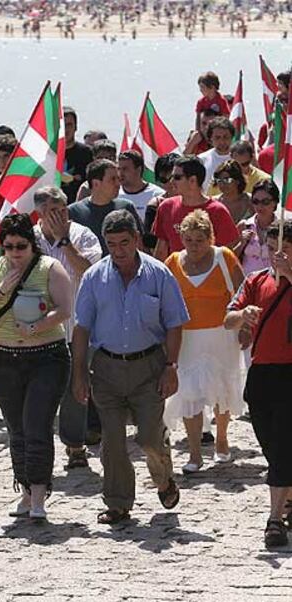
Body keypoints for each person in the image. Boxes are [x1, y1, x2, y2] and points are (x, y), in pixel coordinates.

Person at [72, 210, 189, 524]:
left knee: (149, 438)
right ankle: (118, 502)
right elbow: (81, 328)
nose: (118, 250)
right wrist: (79, 373)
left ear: (136, 239)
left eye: (124, 242)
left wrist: (171, 366)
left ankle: (163, 478)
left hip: (148, 366)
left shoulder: (159, 274)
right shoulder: (94, 277)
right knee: (112, 440)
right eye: (111, 244)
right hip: (106, 368)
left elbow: (175, 324)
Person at [0, 214, 71, 520]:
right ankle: (26, 491)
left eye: (21, 246)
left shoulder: (49, 268)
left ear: (33, 244)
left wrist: (41, 325)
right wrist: (0, 290)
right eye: (9, 246)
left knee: (37, 425)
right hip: (3, 359)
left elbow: (66, 309)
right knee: (16, 429)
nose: (15, 252)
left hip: (46, 358)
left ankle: (40, 493)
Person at [225, 221, 292, 548]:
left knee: (282, 448)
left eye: (286, 248)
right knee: (271, 444)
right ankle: (288, 495)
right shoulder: (255, 280)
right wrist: (244, 315)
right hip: (263, 373)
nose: (279, 254)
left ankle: (274, 519)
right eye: (274, 248)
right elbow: (228, 317)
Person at [164, 210, 244, 473]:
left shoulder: (224, 258)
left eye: (199, 240)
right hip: (187, 338)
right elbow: (163, 300)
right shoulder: (173, 262)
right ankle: (195, 453)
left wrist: (245, 327)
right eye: (188, 240)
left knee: (222, 387)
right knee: (189, 392)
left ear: (210, 237)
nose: (194, 246)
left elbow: (244, 293)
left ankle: (221, 439)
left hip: (222, 334)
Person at [33, 186, 102, 469]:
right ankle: (39, 445)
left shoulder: (82, 235)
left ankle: (75, 445)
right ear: (40, 213)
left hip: (76, 326)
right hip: (39, 328)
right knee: (43, 391)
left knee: (77, 387)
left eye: (63, 210)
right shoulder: (29, 239)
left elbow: (91, 270)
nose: (60, 216)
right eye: (52, 212)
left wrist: (65, 244)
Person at [153, 155, 239, 262]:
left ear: (193, 180)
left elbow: (227, 253)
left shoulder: (218, 211)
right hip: (175, 276)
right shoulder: (166, 207)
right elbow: (161, 250)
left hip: (209, 277)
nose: (171, 181)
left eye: (177, 177)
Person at [69, 159, 143, 256]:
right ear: (96, 183)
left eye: (118, 179)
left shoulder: (126, 207)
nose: (118, 184)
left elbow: (139, 244)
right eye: (112, 179)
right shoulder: (74, 212)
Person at [236, 181, 279, 275]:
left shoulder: (282, 229)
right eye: (256, 201)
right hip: (247, 283)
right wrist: (242, 243)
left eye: (265, 202)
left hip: (272, 283)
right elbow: (230, 257)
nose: (260, 206)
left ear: (275, 202)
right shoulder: (244, 225)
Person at [117, 150, 164, 221]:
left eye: (125, 169)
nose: (120, 173)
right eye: (119, 169)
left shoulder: (157, 195)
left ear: (138, 169)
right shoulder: (114, 195)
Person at [62, 106, 93, 204]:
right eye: (62, 125)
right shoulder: (48, 154)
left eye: (69, 125)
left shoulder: (87, 153)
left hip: (79, 207)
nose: (66, 129)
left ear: (76, 127)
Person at [199, 116, 235, 194]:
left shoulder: (240, 158)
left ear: (232, 137)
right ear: (210, 139)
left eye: (225, 137)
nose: (222, 141)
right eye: (217, 138)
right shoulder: (202, 160)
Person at [212, 159, 254, 224]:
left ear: (237, 180)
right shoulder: (213, 203)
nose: (223, 184)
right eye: (219, 180)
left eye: (227, 180)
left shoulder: (252, 201)